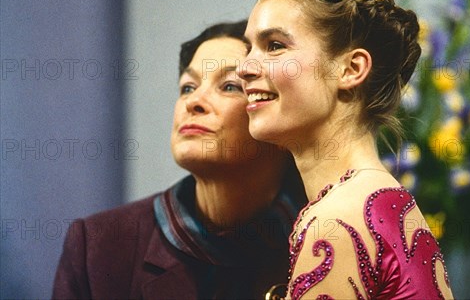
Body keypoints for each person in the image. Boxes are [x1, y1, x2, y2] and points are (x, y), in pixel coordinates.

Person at [239, 0, 453, 299]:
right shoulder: (381, 199)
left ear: (351, 69)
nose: (244, 68)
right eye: (248, 48)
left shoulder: (337, 219)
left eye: (275, 45)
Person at [52, 21, 306, 299]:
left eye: (230, 86)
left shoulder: (322, 240)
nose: (193, 101)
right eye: (187, 87)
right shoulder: (100, 245)